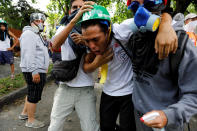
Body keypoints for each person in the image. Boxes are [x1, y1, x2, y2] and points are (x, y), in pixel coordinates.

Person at [59, 1, 178, 130]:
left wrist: (165, 26)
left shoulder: (122, 30)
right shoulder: (89, 41)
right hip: (108, 93)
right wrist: (97, 63)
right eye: (87, 40)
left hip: (129, 94)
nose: (92, 45)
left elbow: (157, 18)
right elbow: (86, 67)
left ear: (108, 30)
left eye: (96, 39)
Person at [120, 0, 197, 131]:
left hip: (167, 126)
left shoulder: (181, 44)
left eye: (149, 3)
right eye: (134, 5)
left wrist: (168, 116)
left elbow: (193, 96)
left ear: (162, 4)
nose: (140, 11)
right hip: (139, 120)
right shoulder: (134, 38)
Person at [48, 1, 100, 131]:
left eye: (81, 7)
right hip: (65, 87)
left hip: (85, 89)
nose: (78, 9)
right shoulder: (63, 28)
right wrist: (73, 22)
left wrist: (86, 42)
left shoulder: (91, 30)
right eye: (74, 7)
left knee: (90, 127)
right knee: (54, 126)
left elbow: (93, 58)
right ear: (70, 11)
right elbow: (54, 46)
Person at [19, 13, 49, 128]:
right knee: (34, 95)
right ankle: (31, 121)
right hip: (34, 70)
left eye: (42, 21)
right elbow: (29, 54)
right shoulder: (29, 34)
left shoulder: (36, 34)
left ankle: (24, 114)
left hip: (37, 69)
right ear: (31, 22)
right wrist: (34, 71)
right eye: (37, 21)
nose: (40, 23)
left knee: (31, 92)